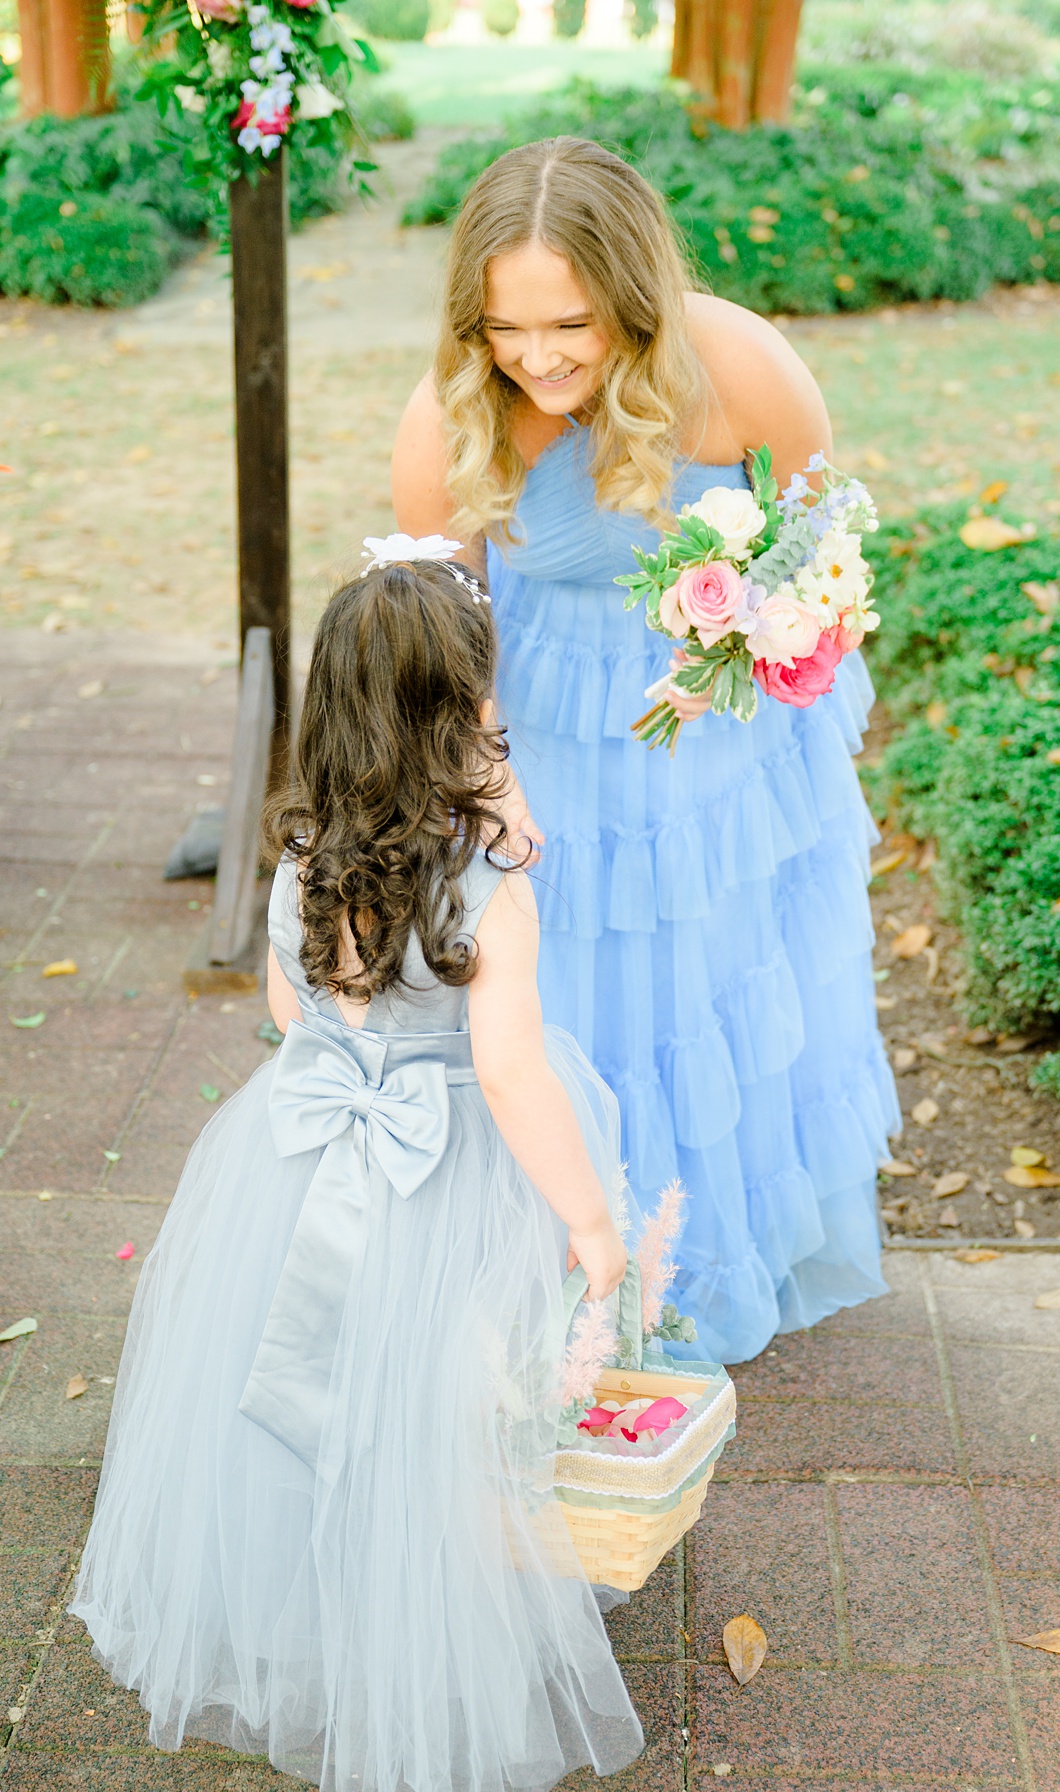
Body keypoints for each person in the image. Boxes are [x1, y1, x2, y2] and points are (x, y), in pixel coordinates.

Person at [71, 559, 644, 1791]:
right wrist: (592, 1220)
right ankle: (426, 1614)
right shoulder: (485, 891)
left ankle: (304, 1612)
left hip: (304, 1147)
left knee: (294, 1389)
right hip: (441, 1167)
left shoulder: (299, 860)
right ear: (468, 715)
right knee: (433, 1397)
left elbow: (289, 1011)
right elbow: (509, 1074)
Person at [391, 138, 899, 1366]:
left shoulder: (734, 364)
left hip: (717, 732)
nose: (542, 356)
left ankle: (696, 1253)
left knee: (718, 976)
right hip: (542, 727)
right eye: (510, 329)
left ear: (634, 294)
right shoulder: (452, 413)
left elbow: (819, 521)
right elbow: (436, 629)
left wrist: (777, 623)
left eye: (572, 322)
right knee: (563, 987)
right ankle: (572, 1253)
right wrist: (485, 773)